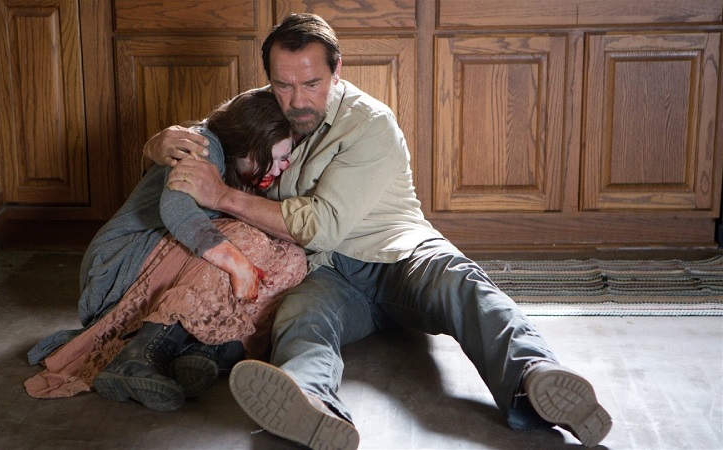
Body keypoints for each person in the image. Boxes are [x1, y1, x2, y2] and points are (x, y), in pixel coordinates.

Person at [146, 13, 612, 448]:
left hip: (400, 256)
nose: (297, 100)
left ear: (337, 71)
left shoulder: (369, 123)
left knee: (461, 284)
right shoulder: (267, 107)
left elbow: (322, 226)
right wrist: (158, 143)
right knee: (298, 318)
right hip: (329, 273)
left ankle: (534, 379)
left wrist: (224, 197)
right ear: (270, 78)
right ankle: (310, 402)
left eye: (311, 83)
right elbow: (210, 134)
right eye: (283, 85)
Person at [25, 90, 307, 412]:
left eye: (286, 157)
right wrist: (237, 264)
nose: (283, 167)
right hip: (118, 266)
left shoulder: (250, 170)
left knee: (293, 257)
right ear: (245, 146)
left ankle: (205, 349)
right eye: (276, 158)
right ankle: (136, 356)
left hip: (165, 260)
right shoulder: (202, 145)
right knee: (246, 239)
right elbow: (176, 207)